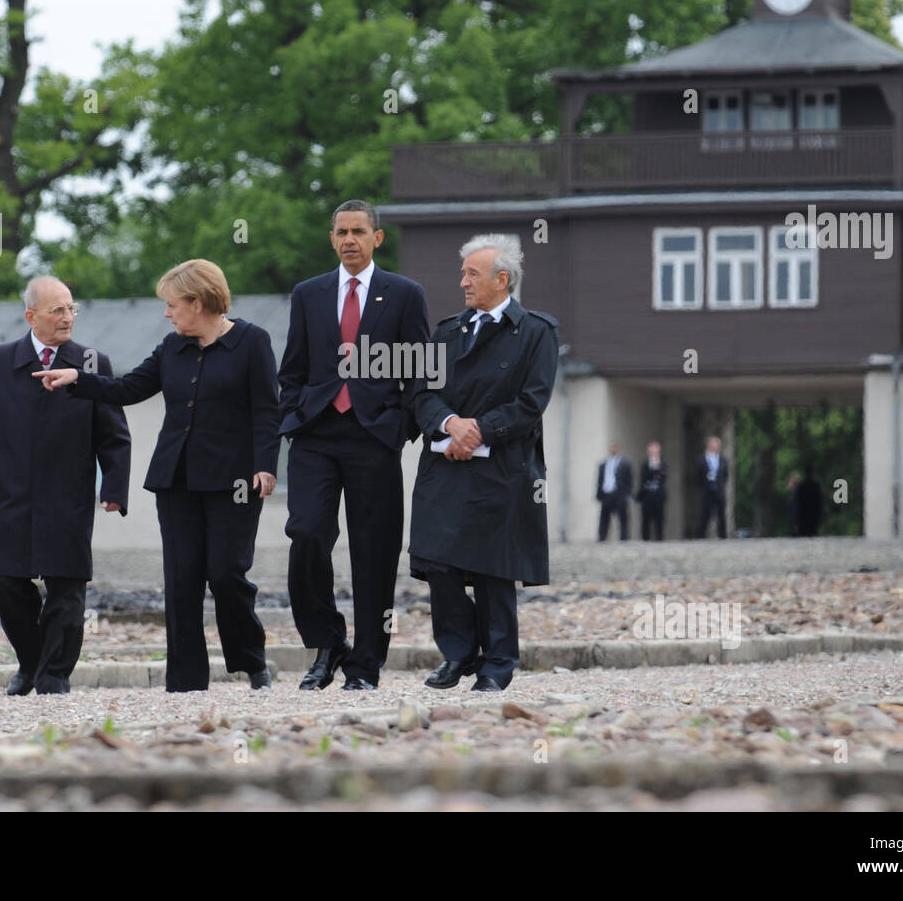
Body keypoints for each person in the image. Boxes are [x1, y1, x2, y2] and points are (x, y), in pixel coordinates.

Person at [34, 260, 281, 692]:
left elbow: (266, 408)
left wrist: (266, 464)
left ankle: (249, 660)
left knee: (227, 575)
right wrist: (80, 378)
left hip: (235, 484)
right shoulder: (171, 347)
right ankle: (185, 681)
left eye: (172, 304)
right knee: (182, 580)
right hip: (176, 481)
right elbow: (128, 388)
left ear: (199, 302)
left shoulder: (251, 342)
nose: (167, 313)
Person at [0, 276, 131, 696]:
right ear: (31, 316)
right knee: (5, 584)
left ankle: (53, 675)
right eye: (57, 310)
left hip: (69, 497)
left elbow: (113, 433)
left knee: (67, 586)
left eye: (71, 309)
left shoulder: (93, 362)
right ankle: (31, 663)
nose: (68, 317)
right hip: (11, 497)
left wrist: (114, 485)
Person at [278, 200, 431, 691]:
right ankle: (327, 645)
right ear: (331, 239)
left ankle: (364, 665)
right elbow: (293, 369)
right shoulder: (308, 294)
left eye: (359, 231)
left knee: (374, 552)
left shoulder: (404, 294)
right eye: (341, 232)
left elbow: (421, 373)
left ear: (376, 238)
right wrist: (295, 414)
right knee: (305, 536)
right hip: (316, 436)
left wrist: (399, 428)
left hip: (374, 438)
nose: (349, 240)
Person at [409, 236, 558, 692]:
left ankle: (497, 665)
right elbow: (420, 394)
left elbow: (531, 402)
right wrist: (451, 424)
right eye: (463, 273)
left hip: (502, 468)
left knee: (495, 569)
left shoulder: (537, 331)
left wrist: (479, 431)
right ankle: (457, 655)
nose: (463, 283)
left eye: (472, 274)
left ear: (502, 279)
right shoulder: (446, 331)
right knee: (440, 564)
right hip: (445, 463)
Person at [693, 435, 730, 539]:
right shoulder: (701, 460)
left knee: (721, 514)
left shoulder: (723, 460)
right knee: (705, 514)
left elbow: (726, 475)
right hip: (707, 491)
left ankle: (723, 535)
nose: (717, 447)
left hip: (719, 490)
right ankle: (700, 535)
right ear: (709, 445)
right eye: (715, 444)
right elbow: (697, 477)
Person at [595, 442, 633, 541]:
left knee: (622, 516)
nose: (613, 450)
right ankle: (602, 537)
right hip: (607, 493)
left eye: (614, 448)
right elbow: (600, 480)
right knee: (604, 517)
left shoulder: (625, 464)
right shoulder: (604, 464)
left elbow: (629, 480)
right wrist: (599, 494)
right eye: (611, 448)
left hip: (620, 493)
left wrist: (627, 494)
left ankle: (623, 537)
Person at [636, 441, 668, 540]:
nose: (653, 453)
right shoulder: (645, 464)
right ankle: (645, 538)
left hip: (658, 494)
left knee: (659, 518)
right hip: (647, 494)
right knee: (646, 518)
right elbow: (643, 477)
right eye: (651, 451)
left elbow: (664, 477)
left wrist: (657, 467)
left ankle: (659, 538)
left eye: (655, 451)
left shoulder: (663, 463)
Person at [790, 466, 823, 537]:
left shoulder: (802, 487)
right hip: (810, 518)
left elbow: (796, 505)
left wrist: (795, 520)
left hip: (804, 518)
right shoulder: (815, 486)